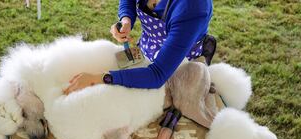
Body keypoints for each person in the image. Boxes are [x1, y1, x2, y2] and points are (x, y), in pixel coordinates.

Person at [63, 0, 216, 95]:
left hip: (178, 65)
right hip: (146, 47)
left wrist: (100, 78)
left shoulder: (193, 6)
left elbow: (157, 75)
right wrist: (126, 19)